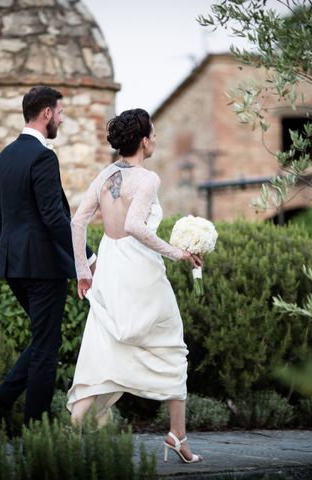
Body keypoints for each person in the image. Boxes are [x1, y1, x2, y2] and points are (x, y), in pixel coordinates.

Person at [68, 108, 204, 463]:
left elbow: (77, 221)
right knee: (173, 347)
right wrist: (179, 254)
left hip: (110, 269)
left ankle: (70, 435)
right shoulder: (147, 179)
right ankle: (177, 435)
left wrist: (84, 271)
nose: (156, 140)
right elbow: (136, 226)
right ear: (144, 142)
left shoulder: (105, 175)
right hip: (140, 271)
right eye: (154, 135)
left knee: (102, 346)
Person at [0, 86, 96, 436]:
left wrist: (11, 254)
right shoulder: (43, 157)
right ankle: (36, 434)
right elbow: (53, 217)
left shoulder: (2, 158)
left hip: (14, 265)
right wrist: (86, 255)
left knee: (41, 340)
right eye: (60, 113)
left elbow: (0, 217)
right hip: (44, 268)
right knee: (46, 349)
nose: (61, 119)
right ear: (46, 113)